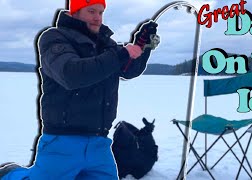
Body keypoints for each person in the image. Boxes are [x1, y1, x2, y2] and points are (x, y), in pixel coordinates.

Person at [0, 0, 158, 179]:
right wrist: (121, 53)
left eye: (100, 12)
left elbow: (128, 70)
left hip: (99, 142)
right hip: (62, 141)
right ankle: (11, 173)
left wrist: (142, 46)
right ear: (75, 11)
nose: (97, 18)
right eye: (91, 11)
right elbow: (71, 74)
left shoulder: (107, 44)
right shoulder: (55, 38)